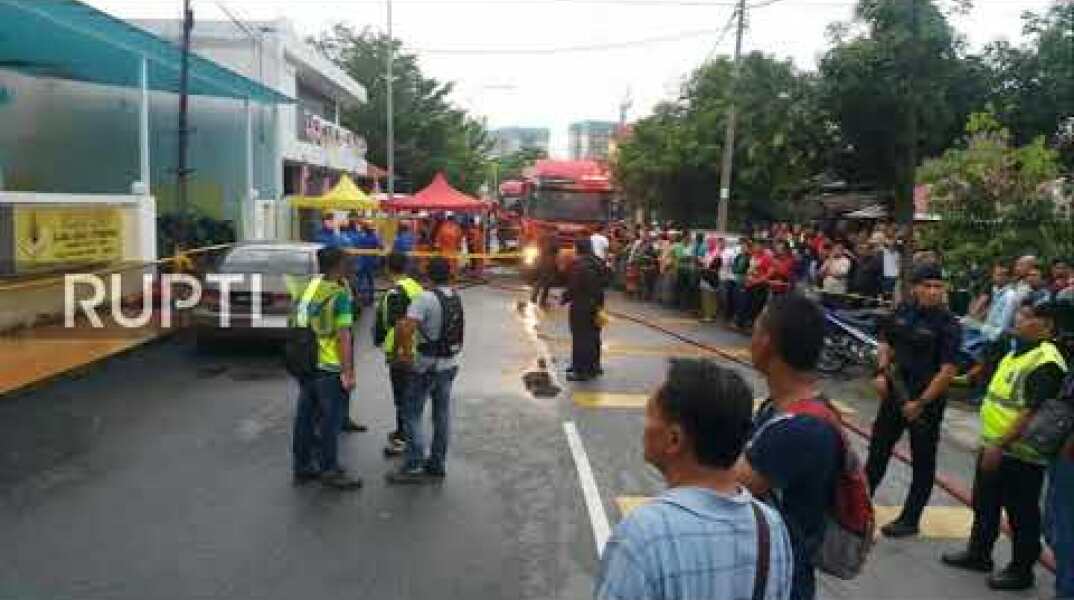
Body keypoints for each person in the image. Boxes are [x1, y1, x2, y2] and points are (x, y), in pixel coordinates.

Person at [596, 358, 794, 600]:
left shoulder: (643, 536)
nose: (644, 427)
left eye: (649, 417)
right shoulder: (770, 526)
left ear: (674, 440)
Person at [941, 300, 1067, 590]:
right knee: (985, 503)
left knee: (1021, 513)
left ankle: (1021, 570)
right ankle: (978, 553)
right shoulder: (1018, 352)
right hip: (994, 444)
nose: (1019, 320)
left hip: (1020, 452)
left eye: (1027, 317)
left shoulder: (1047, 361)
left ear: (1046, 327)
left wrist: (1000, 445)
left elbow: (1031, 411)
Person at [735, 293, 840, 600]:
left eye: (754, 330)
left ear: (766, 343)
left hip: (779, 579)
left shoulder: (799, 427)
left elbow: (726, 488)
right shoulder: (780, 408)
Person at [866, 263, 960, 537]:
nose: (933, 291)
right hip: (895, 394)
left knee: (923, 461)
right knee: (877, 452)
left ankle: (910, 518)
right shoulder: (903, 312)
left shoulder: (948, 324)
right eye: (927, 286)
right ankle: (859, 505)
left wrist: (919, 404)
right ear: (915, 288)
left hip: (924, 403)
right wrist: (881, 372)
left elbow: (948, 370)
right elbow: (885, 342)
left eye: (938, 286)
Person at [289, 247, 363, 489]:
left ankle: (303, 466)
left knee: (305, 418)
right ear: (339, 266)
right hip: (329, 365)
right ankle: (329, 470)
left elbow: (296, 323)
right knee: (330, 421)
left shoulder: (306, 288)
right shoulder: (339, 295)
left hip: (305, 362)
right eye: (346, 263)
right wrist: (348, 372)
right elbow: (344, 337)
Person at [387, 257, 465, 483]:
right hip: (449, 364)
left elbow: (405, 329)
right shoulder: (454, 296)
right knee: (441, 415)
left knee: (411, 413)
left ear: (427, 276)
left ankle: (413, 465)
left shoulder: (424, 299)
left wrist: (404, 354)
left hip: (425, 366)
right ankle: (437, 463)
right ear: (449, 275)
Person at [374, 251, 424, 457]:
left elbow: (398, 327)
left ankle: (405, 439)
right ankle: (403, 432)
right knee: (409, 397)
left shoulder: (396, 293)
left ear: (387, 269)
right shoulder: (415, 287)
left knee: (402, 397)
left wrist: (395, 353)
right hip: (416, 349)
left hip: (402, 354)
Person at [562, 237, 608, 382]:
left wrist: (564, 298)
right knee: (593, 336)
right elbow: (607, 280)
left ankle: (580, 370)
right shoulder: (597, 262)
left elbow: (574, 287)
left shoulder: (580, 265)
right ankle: (594, 366)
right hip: (596, 305)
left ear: (579, 248)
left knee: (580, 338)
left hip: (581, 307)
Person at [353, 221, 381, 307]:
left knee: (360, 280)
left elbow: (356, 246)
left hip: (361, 261)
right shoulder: (374, 237)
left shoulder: (360, 237)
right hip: (370, 262)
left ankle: (359, 298)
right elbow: (380, 246)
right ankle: (370, 299)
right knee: (370, 281)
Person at [531, 230, 559, 309]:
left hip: (541, 262)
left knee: (540, 280)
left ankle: (534, 297)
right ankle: (542, 301)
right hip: (549, 263)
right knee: (547, 282)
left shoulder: (542, 238)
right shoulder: (553, 239)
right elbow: (556, 249)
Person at [698, 237, 722, 323]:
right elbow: (705, 263)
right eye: (708, 242)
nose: (709, 244)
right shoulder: (708, 252)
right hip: (705, 275)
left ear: (714, 243)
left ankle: (710, 315)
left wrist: (705, 264)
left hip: (712, 276)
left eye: (711, 242)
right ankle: (708, 314)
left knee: (710, 296)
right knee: (705, 295)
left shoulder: (717, 253)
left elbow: (715, 265)